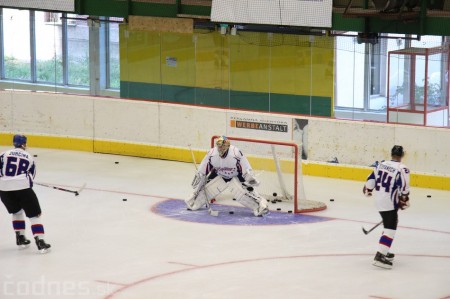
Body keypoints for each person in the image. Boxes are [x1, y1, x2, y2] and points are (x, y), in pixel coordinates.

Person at [185, 136, 269, 217]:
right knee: (204, 190)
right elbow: (203, 169)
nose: (220, 148)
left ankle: (261, 206)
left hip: (236, 175)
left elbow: (245, 168)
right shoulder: (212, 154)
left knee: (244, 195)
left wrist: (249, 178)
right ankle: (193, 202)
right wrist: (199, 178)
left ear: (228, 146)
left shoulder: (236, 153)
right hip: (219, 174)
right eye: (219, 146)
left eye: (223, 146)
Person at [0, 134, 51, 253]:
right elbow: (32, 175)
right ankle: (40, 242)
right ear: (24, 144)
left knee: (16, 212)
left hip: (4, 188)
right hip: (22, 187)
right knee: (34, 215)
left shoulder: (3, 154)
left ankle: (20, 238)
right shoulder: (28, 156)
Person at [363, 145, 410, 269]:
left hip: (378, 200)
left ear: (391, 154)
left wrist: (368, 190)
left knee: (388, 225)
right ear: (402, 155)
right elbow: (404, 188)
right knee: (390, 228)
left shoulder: (381, 164)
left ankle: (384, 249)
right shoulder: (402, 168)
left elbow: (370, 180)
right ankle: (380, 256)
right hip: (389, 202)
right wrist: (404, 200)